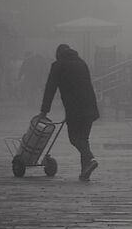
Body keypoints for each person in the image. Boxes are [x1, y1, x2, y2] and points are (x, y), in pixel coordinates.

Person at [40, 43, 101, 181]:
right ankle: (85, 171)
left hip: (75, 108)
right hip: (90, 106)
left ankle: (90, 159)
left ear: (58, 54)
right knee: (83, 139)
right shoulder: (82, 63)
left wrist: (44, 111)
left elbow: (50, 88)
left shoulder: (58, 65)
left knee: (74, 138)